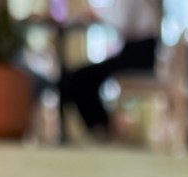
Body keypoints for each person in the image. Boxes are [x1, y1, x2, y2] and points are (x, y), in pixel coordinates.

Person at [61, 0, 161, 140]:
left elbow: (124, 25)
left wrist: (98, 15)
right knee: (82, 78)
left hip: (140, 55)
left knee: (81, 78)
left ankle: (101, 129)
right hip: (133, 52)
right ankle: (101, 127)